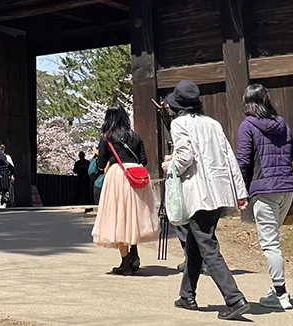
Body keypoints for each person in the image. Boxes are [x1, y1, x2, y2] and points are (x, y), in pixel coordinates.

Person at [162, 80, 252, 321]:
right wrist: (240, 191)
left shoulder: (179, 124)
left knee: (208, 247)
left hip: (197, 193)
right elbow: (229, 156)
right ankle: (186, 295)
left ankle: (235, 299)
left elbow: (185, 156)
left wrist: (169, 165)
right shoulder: (213, 124)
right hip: (218, 192)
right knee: (195, 244)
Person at [236, 83, 293, 311]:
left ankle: (280, 293)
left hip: (264, 189)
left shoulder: (247, 126)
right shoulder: (282, 124)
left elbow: (243, 160)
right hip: (287, 188)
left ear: (247, 102)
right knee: (274, 240)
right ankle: (277, 289)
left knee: (270, 244)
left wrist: (239, 190)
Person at [91, 105, 158, 275]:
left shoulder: (107, 138)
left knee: (118, 217)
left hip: (118, 177)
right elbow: (144, 160)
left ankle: (126, 262)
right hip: (136, 177)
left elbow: (100, 165)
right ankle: (134, 255)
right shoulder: (136, 136)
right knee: (133, 216)